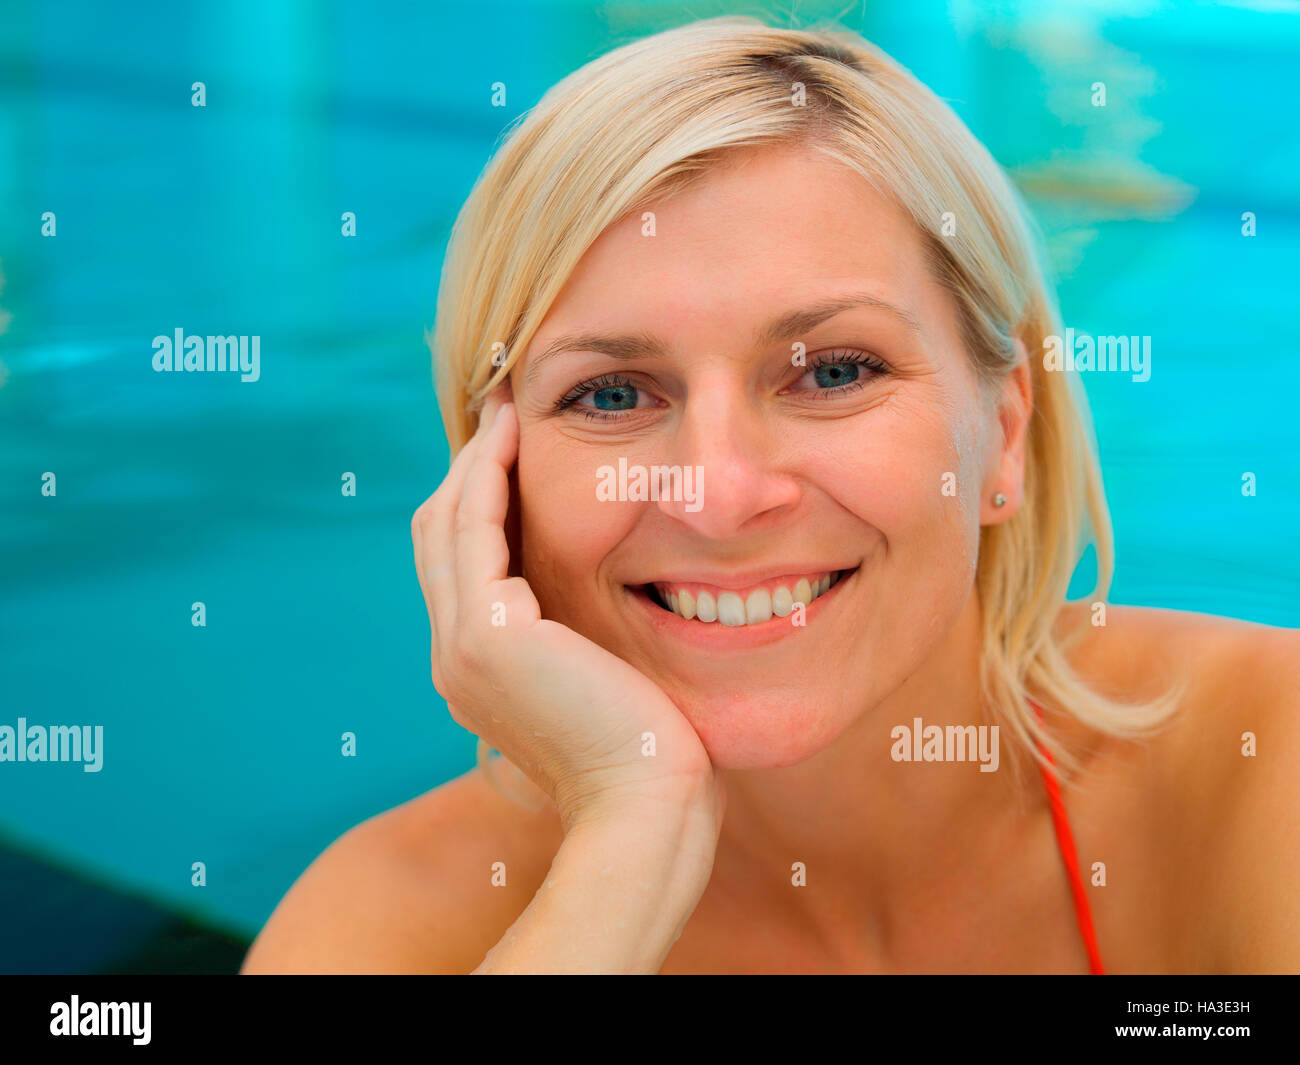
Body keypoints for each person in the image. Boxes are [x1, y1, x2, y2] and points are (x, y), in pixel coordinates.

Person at [241, 16, 1299, 975]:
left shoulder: (1263, 768)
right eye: (610, 394)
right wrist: (628, 841)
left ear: (1005, 431)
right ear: (494, 481)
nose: (717, 494)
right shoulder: (394, 926)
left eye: (833, 372)